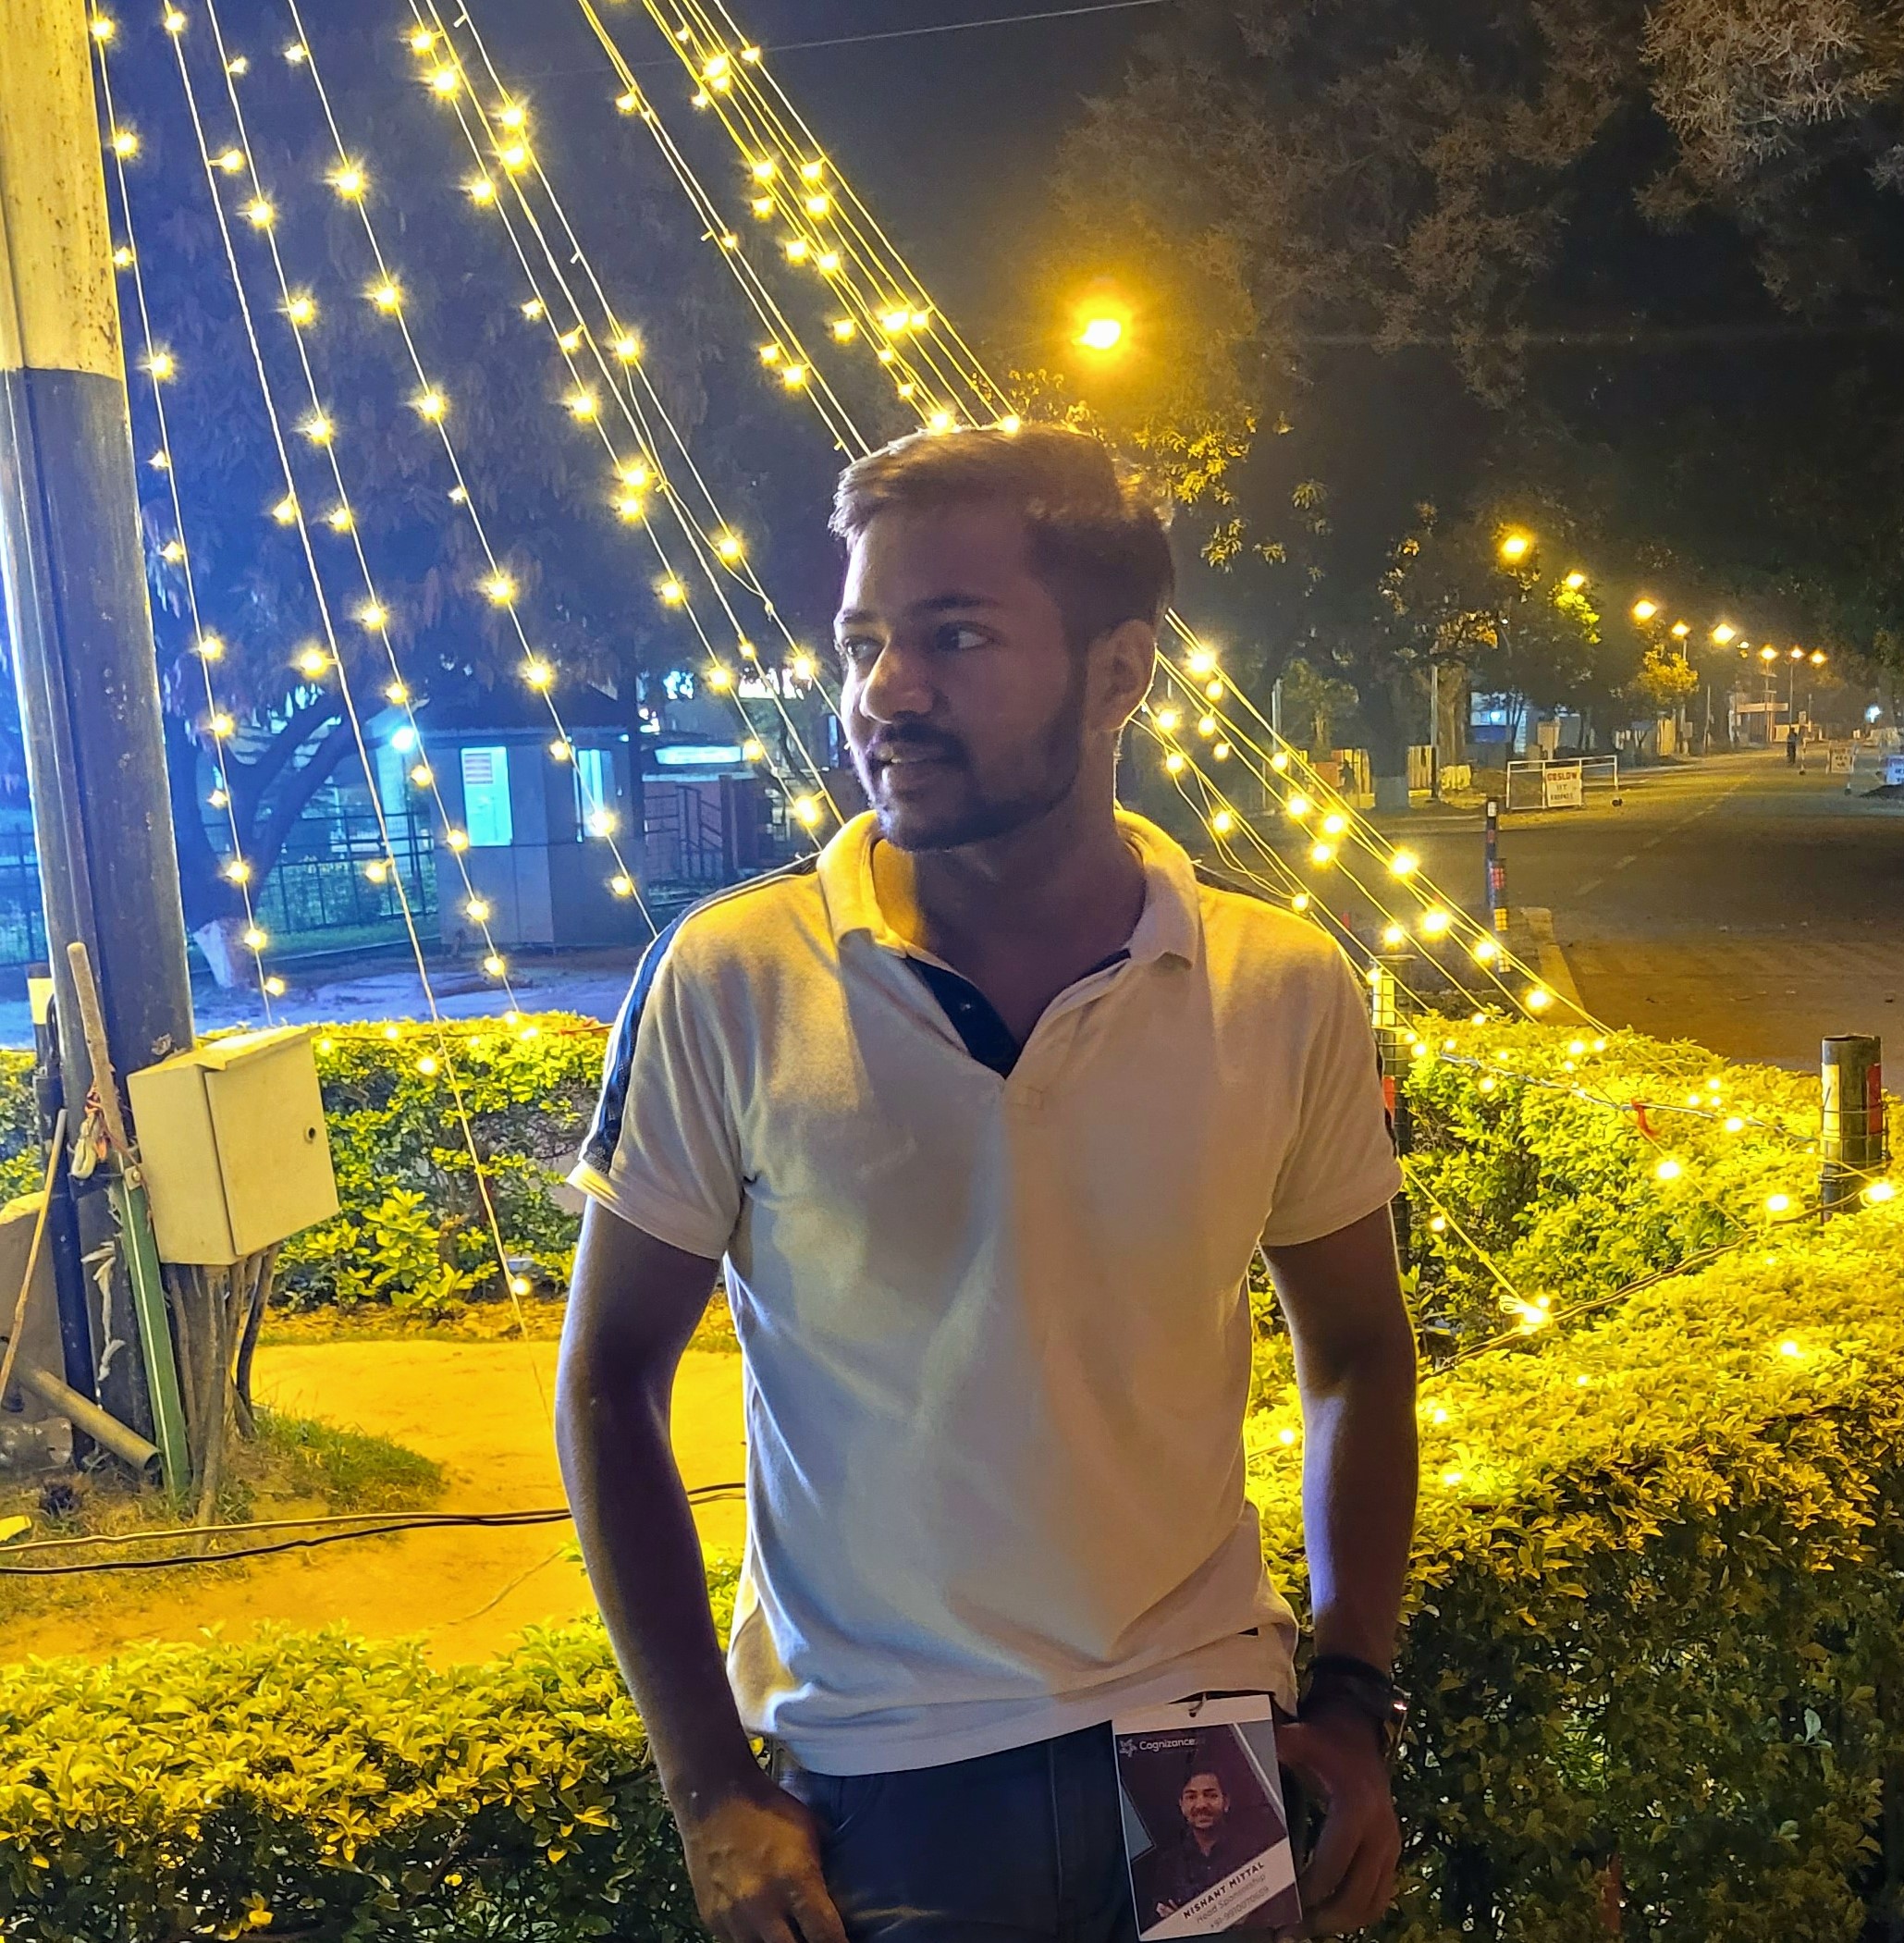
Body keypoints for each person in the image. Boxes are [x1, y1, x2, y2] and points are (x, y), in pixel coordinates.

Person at [556, 424, 1419, 1943]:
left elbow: (1356, 1349)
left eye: (953, 636)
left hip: (1201, 1740)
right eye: (863, 642)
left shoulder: (1280, 984)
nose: (885, 692)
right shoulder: (733, 977)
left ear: (1118, 674)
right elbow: (609, 1377)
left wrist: (1353, 1689)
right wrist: (707, 1787)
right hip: (885, 1782)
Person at [1144, 1769, 1260, 1920]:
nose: (1201, 1805)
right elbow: (1161, 1918)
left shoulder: (1252, 1850)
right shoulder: (1169, 1864)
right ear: (1182, 1806)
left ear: (1226, 1802)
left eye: (1211, 1795)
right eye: (1191, 1797)